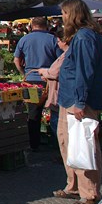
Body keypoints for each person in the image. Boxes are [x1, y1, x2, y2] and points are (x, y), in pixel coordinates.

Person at [53, 0, 102, 204]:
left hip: (78, 101)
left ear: (73, 14)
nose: (63, 18)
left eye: (65, 14)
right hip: (69, 98)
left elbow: (84, 72)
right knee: (68, 144)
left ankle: (90, 194)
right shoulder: (81, 36)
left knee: (84, 146)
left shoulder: (85, 37)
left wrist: (80, 101)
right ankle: (74, 186)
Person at [13, 16, 61, 151]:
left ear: (32, 25)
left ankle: (34, 144)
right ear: (46, 26)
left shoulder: (24, 39)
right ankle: (56, 145)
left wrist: (24, 73)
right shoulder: (52, 39)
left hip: (31, 81)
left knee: (33, 113)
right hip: (49, 81)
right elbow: (60, 60)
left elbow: (16, 60)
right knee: (54, 110)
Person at [36, 36, 68, 138]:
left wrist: (44, 72)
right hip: (59, 91)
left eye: (59, 41)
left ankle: (60, 141)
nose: (57, 44)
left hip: (59, 92)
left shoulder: (66, 56)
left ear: (65, 41)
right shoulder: (65, 55)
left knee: (57, 118)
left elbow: (54, 72)